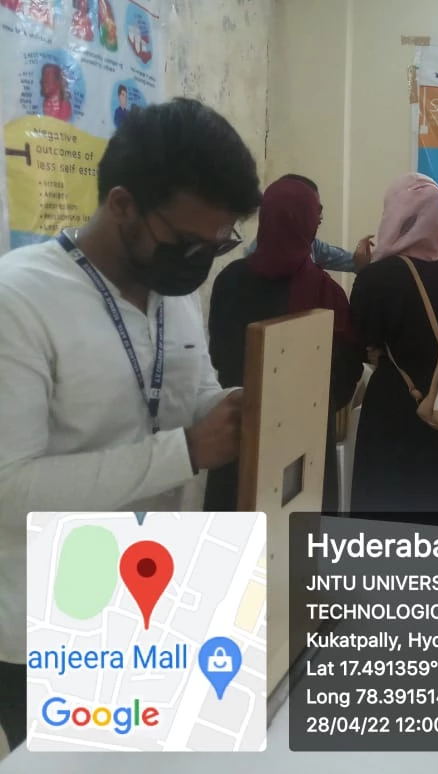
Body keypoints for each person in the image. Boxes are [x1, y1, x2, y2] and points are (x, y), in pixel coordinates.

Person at [0, 98, 262, 752]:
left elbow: (194, 396)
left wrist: (249, 405)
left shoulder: (175, 290)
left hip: (158, 602)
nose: (201, 259)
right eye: (191, 243)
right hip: (46, 625)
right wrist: (185, 452)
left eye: (219, 244)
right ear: (122, 205)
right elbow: (10, 489)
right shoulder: (18, 301)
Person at [204, 176, 364, 513]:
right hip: (304, 447)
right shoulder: (326, 294)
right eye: (316, 213)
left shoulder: (229, 281)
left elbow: (218, 356)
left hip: (241, 434)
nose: (319, 221)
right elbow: (345, 375)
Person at [347, 173, 438, 523]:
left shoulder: (377, 277)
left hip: (396, 409)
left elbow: (363, 340)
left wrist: (363, 272)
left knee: (389, 516)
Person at [242, 174, 371, 273]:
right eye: (314, 210)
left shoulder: (312, 246)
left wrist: (361, 260)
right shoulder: (251, 264)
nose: (320, 217)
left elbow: (350, 262)